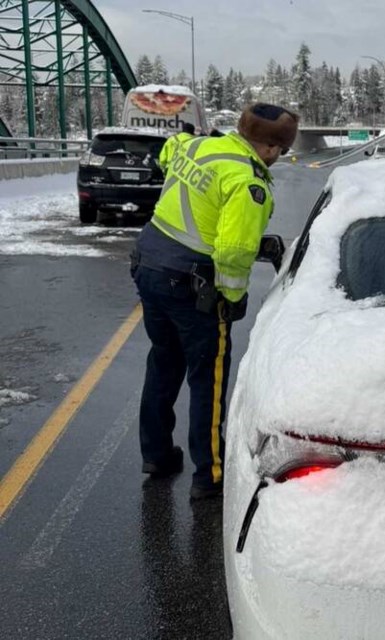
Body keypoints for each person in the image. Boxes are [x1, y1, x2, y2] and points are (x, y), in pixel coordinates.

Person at [130, 103, 299, 499]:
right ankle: (210, 474)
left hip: (149, 263)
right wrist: (231, 298)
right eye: (282, 151)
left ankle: (156, 454)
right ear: (271, 148)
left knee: (163, 358)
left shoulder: (198, 147)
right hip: (190, 283)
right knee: (208, 377)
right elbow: (233, 251)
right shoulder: (248, 182)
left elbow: (169, 150)